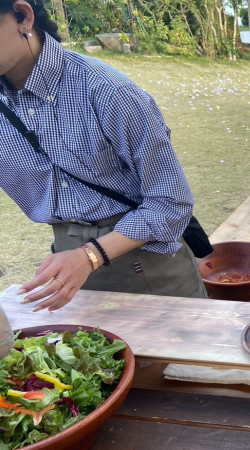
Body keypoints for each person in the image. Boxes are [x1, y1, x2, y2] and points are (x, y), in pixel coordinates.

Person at [0, 0, 208, 312]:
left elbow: (171, 203)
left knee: (182, 362)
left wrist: (89, 256)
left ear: (22, 16)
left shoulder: (108, 91)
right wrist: (79, 258)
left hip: (150, 267)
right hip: (70, 275)